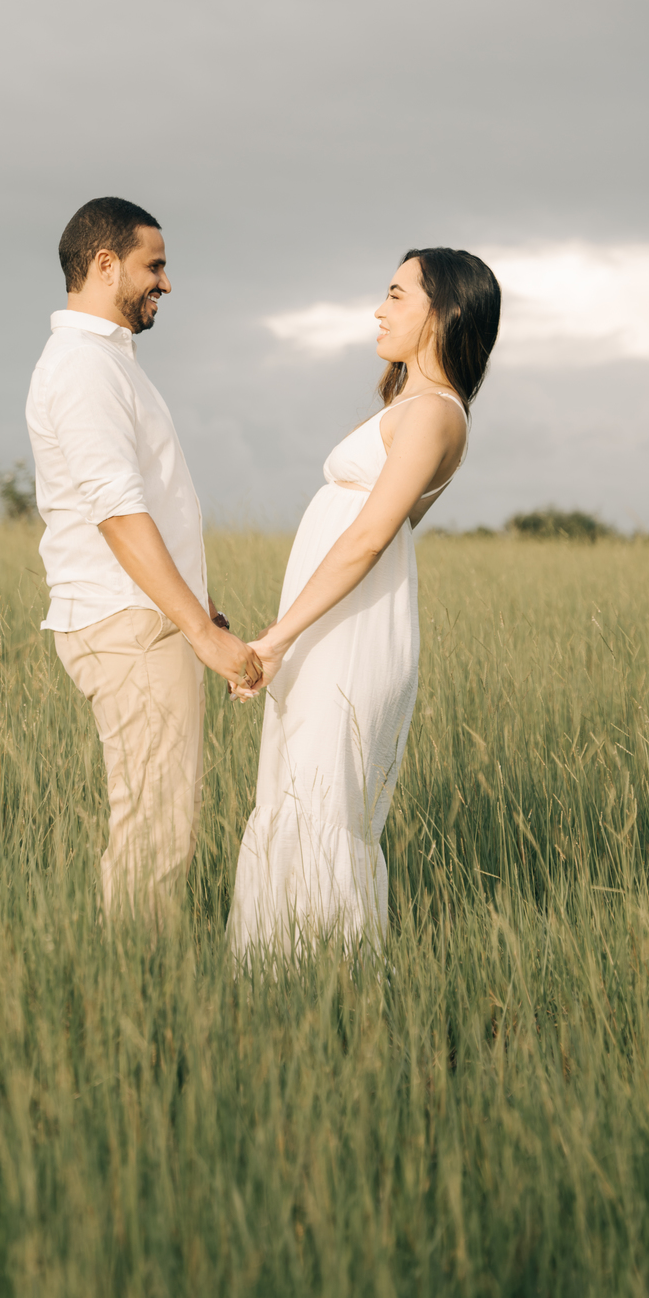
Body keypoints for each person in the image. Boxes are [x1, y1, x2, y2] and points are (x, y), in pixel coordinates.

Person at [227, 246, 500, 958]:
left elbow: (372, 536)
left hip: (349, 630)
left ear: (444, 312)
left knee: (323, 798)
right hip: (333, 624)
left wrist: (275, 637)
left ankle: (321, 978)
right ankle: (273, 970)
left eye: (397, 294)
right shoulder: (412, 406)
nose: (379, 309)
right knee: (295, 790)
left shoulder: (437, 413)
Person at [26, 196, 262, 917]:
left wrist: (203, 606)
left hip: (143, 612)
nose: (166, 282)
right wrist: (202, 632)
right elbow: (117, 511)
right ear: (105, 265)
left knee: (159, 825)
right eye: (153, 265)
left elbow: (151, 502)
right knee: (157, 835)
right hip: (128, 623)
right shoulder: (84, 367)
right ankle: (137, 1006)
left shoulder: (106, 361)